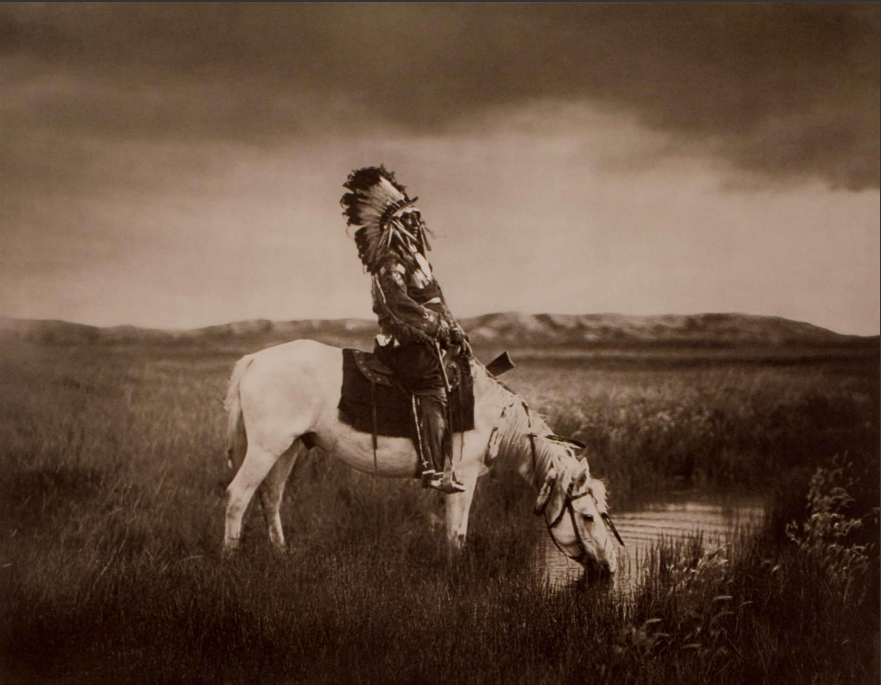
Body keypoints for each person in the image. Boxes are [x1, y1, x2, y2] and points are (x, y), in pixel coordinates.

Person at [341, 165, 469, 493]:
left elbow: (436, 300)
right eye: (408, 218)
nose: (415, 223)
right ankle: (434, 468)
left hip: (428, 339)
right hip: (404, 343)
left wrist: (454, 330)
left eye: (416, 217)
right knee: (431, 385)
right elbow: (398, 308)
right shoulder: (389, 262)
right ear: (395, 225)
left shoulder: (418, 260)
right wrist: (439, 327)